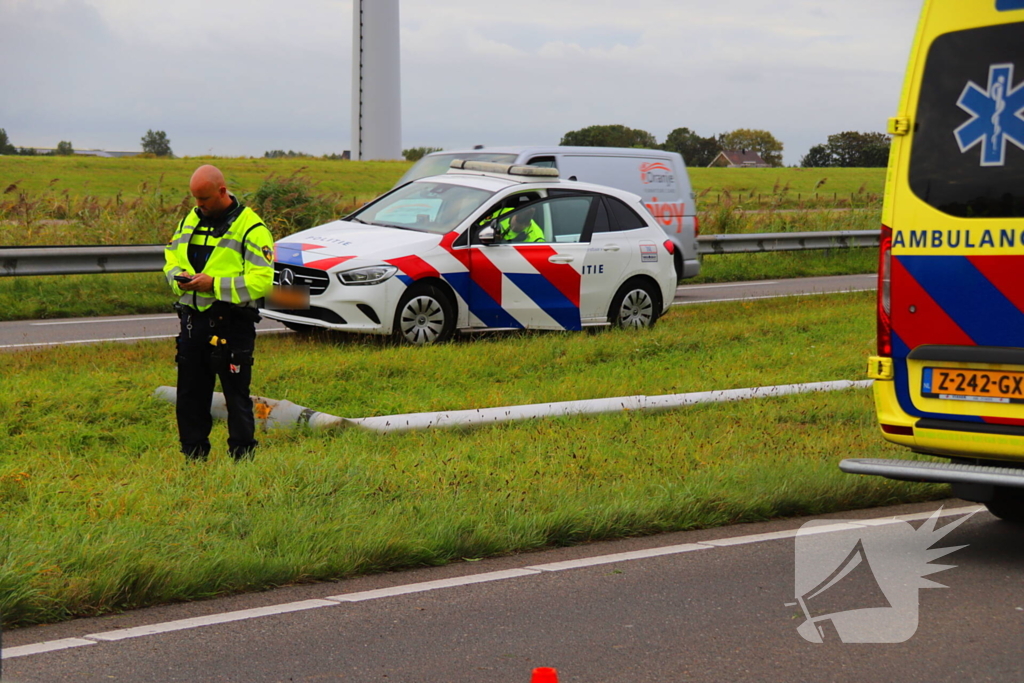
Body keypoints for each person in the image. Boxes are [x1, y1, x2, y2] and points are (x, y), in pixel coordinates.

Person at [163, 165, 275, 462]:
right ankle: (193, 458)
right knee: (189, 396)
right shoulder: (191, 219)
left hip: (232, 324)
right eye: (195, 199)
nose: (199, 206)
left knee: (236, 398)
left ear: (222, 192)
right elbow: (171, 256)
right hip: (192, 322)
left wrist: (215, 285)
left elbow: (261, 281)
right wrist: (178, 277)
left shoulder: (252, 228)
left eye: (205, 199)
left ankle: (242, 459)